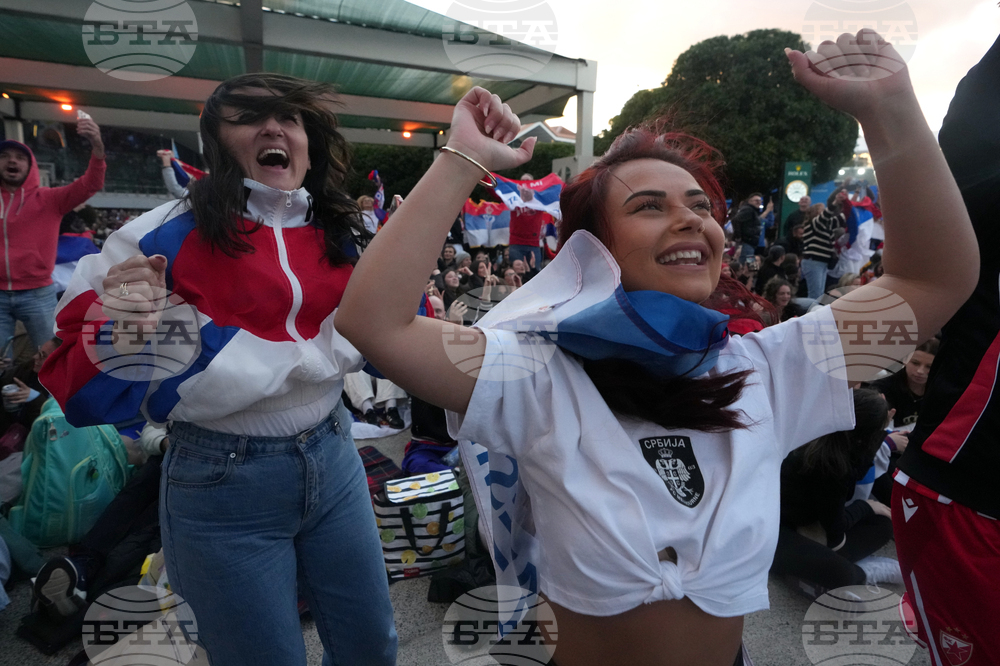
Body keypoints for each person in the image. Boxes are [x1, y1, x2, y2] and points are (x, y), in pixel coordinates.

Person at [334, 30, 977, 666]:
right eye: (650, 205)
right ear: (592, 252)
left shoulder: (770, 369)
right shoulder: (535, 379)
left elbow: (932, 279)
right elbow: (375, 324)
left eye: (701, 205)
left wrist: (890, 111)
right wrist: (460, 160)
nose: (691, 217)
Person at [39, 74, 397, 666]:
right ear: (214, 144)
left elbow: (396, 334)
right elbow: (73, 385)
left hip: (336, 459)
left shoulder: (352, 232)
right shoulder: (152, 236)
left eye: (291, 118)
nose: (275, 127)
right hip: (220, 484)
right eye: (248, 116)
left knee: (372, 645)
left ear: (309, 144)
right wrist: (122, 323)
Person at [771, 388, 900, 597]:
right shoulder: (831, 465)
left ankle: (807, 572)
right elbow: (835, 531)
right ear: (866, 436)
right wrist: (866, 506)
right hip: (777, 530)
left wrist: (879, 435)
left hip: (809, 523)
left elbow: (859, 471)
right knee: (845, 576)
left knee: (883, 522)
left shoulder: (833, 439)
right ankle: (864, 571)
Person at [0, 118, 106, 350]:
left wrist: (97, 146)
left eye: (19, 157)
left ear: (31, 166)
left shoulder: (49, 199)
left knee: (52, 362)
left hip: (38, 293)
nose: (12, 161)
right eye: (5, 156)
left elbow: (91, 184)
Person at [801, 197, 850, 300]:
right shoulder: (814, 223)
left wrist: (847, 203)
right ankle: (811, 314)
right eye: (822, 209)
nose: (825, 211)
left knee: (819, 294)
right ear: (816, 212)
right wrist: (835, 202)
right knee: (815, 295)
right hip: (813, 261)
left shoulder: (828, 225)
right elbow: (824, 216)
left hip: (823, 263)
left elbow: (842, 218)